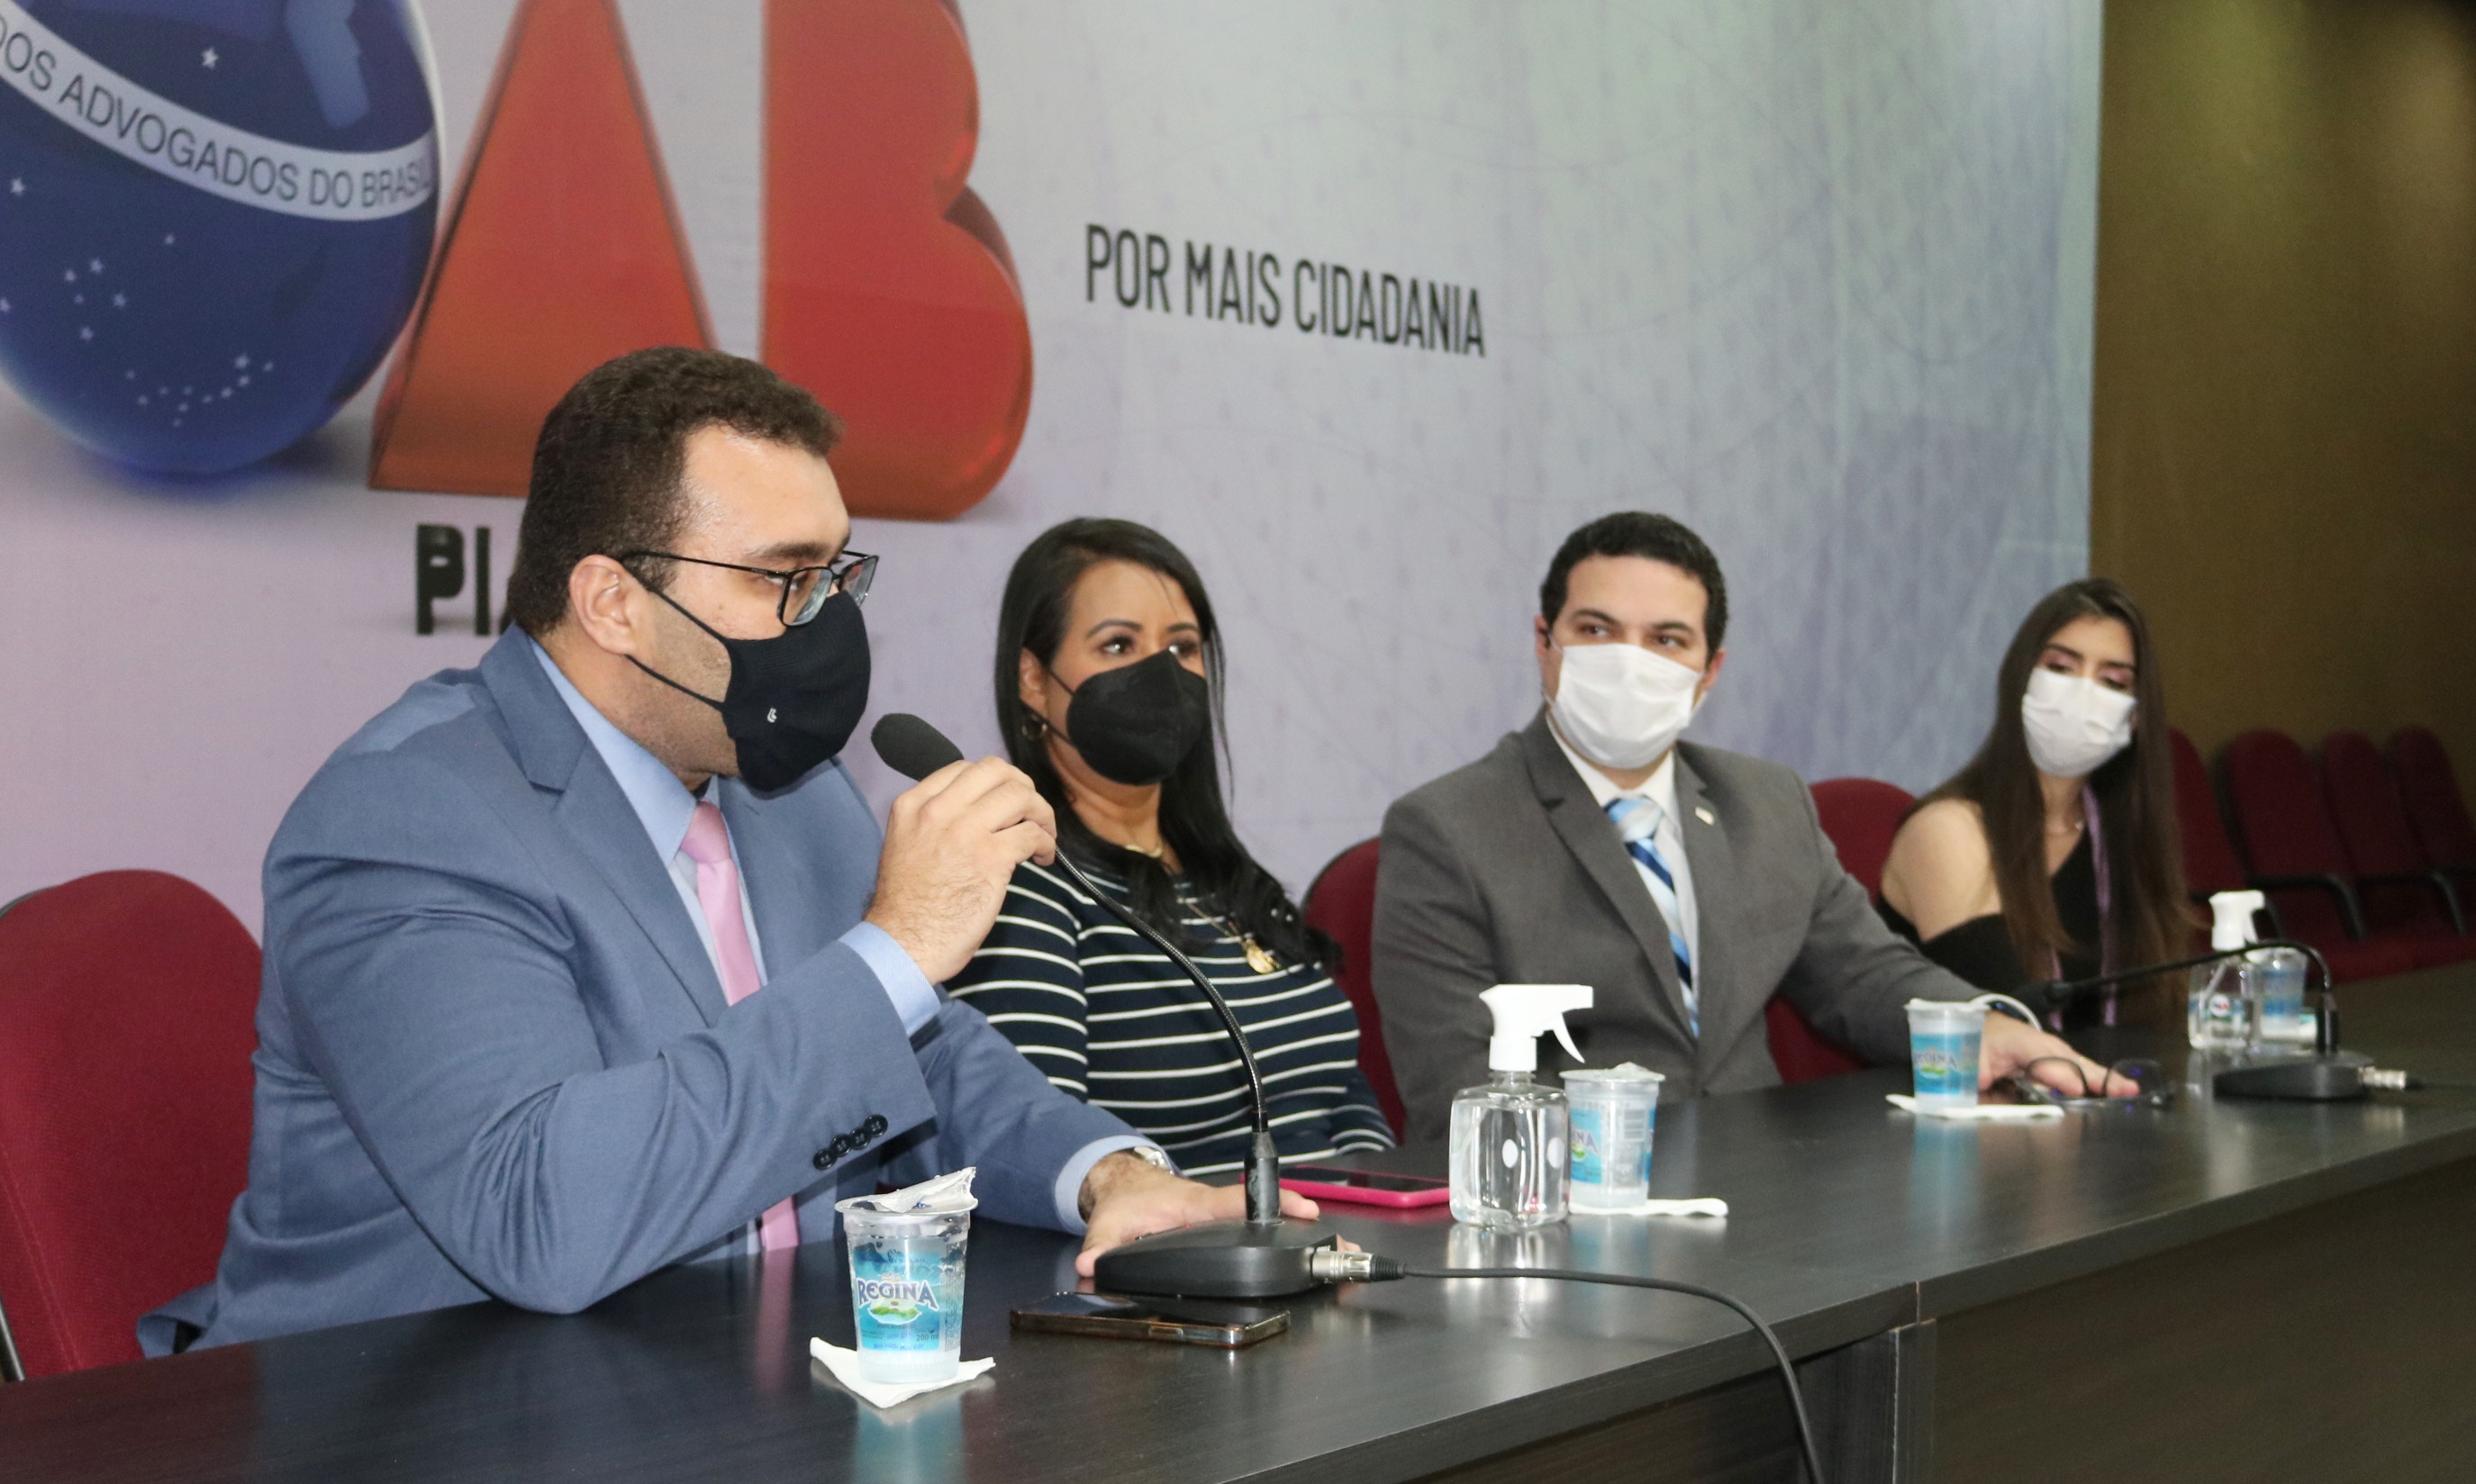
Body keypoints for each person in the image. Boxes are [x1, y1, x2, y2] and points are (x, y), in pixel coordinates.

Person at [143, 350, 1310, 1353]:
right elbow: (538, 1216)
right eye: (784, 578)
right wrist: (898, 947)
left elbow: (930, 1058)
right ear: (612, 601)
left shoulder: (788, 791)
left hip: (730, 1376)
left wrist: (1108, 1176)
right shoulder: (408, 817)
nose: (828, 620)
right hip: (409, 1408)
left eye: (837, 573)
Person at [1371, 511, 2128, 1143]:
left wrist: (1990, 1029)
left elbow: (1862, 974)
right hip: (1573, 1203)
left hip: (1763, 1194)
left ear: (1709, 672)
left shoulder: (1766, 802)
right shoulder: (1447, 829)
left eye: (1667, 640)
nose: (1630, 663)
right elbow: (1456, 1091)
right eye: (1597, 630)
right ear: (1545, 643)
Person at [948, 520, 1395, 1173]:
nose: (1160, 672)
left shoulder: (1228, 878)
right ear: (1033, 680)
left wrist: (1378, 1194)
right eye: (1118, 644)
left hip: (1333, 1223)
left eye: (1182, 647)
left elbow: (1336, 1085)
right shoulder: (1025, 885)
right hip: (1176, 1234)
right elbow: (1035, 1146)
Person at [1878, 579, 2189, 1026]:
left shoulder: (2122, 839)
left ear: (2136, 717)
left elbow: (2154, 1019)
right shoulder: (1946, 830)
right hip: (1970, 1070)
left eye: (2112, 681)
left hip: (2092, 1071)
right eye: (2060, 668)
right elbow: (2010, 1018)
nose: (2083, 693)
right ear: (2019, 678)